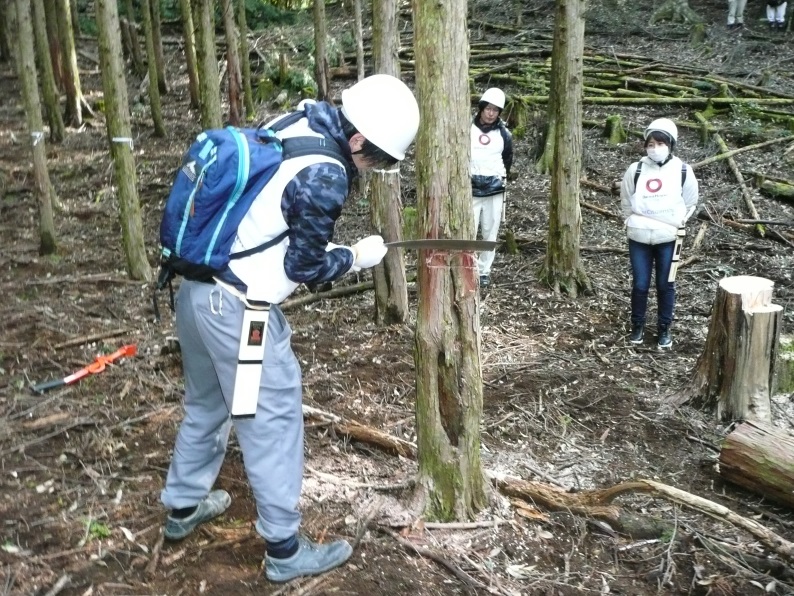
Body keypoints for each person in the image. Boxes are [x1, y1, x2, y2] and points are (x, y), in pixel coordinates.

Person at [159, 74, 420, 582]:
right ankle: (283, 549)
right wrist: (354, 258)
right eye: (381, 159)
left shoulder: (297, 120)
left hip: (195, 292)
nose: (379, 169)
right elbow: (305, 267)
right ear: (359, 140)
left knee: (206, 405)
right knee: (273, 421)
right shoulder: (327, 172)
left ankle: (183, 506)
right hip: (240, 312)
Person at [620, 118, 698, 350]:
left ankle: (664, 328)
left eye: (660, 143)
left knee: (666, 285)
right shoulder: (636, 169)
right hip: (639, 238)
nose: (655, 148)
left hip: (668, 239)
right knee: (640, 284)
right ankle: (638, 325)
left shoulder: (683, 170)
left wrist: (678, 223)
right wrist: (629, 221)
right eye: (650, 144)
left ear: (671, 144)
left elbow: (691, 201)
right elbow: (626, 199)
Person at [470, 87, 513, 290]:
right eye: (488, 108)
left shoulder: (504, 134)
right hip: (470, 186)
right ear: (481, 108)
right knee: (469, 229)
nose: (490, 113)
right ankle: (467, 266)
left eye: (495, 110)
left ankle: (484, 270)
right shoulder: (468, 128)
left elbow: (507, 160)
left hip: (494, 188)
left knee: (490, 230)